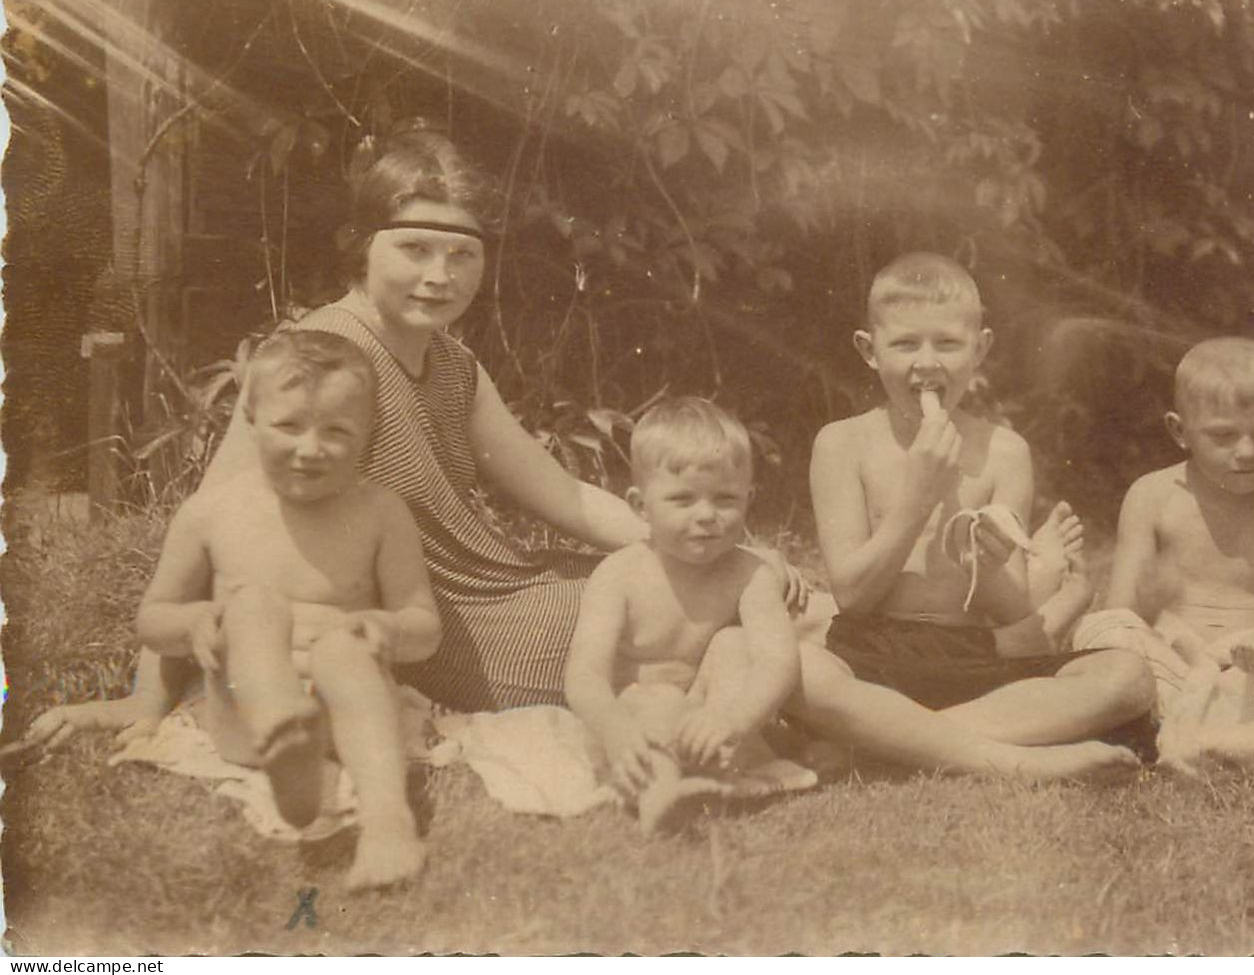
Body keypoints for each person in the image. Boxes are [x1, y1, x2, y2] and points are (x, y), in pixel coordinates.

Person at [17, 127, 805, 751]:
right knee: (701, 619)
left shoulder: (453, 364)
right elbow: (218, 521)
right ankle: (785, 710)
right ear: (362, 246)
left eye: (462, 255)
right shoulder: (322, 357)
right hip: (439, 622)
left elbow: (562, 495)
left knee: (703, 591)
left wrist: (704, 551)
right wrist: (145, 694)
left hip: (500, 581)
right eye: (415, 249)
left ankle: (789, 695)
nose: (440, 274)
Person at [786, 252, 1153, 779]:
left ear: (980, 350)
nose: (927, 363)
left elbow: (1011, 615)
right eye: (906, 344)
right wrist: (916, 499)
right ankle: (1003, 757)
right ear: (869, 351)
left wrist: (988, 565)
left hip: (976, 655)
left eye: (949, 344)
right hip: (872, 650)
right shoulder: (842, 444)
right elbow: (853, 596)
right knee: (794, 666)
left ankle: (876, 748)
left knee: (1126, 675)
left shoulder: (1004, 451)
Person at [135, 331, 439, 890]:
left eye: (337, 431)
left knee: (344, 650)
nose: (310, 448)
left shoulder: (380, 513)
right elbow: (153, 618)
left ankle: (386, 827)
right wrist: (195, 621)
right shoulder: (211, 513)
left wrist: (387, 628)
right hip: (244, 712)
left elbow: (423, 627)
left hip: (347, 723)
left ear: (369, 435)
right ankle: (281, 726)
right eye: (289, 426)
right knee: (251, 606)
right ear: (249, 418)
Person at [565, 398, 799, 833]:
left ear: (749, 498)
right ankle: (661, 796)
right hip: (634, 728)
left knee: (733, 644)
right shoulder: (619, 574)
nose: (707, 515)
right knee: (653, 700)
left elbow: (777, 661)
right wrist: (615, 730)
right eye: (683, 499)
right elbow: (585, 676)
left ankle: (720, 769)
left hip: (708, 724)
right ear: (640, 505)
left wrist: (734, 720)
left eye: (726, 498)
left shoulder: (751, 574)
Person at [1104, 337, 1254, 669]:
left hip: (1248, 662)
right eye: (1223, 436)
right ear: (1179, 431)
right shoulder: (1151, 495)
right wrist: (1152, 611)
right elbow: (1121, 611)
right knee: (1107, 636)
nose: (1247, 452)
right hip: (1162, 655)